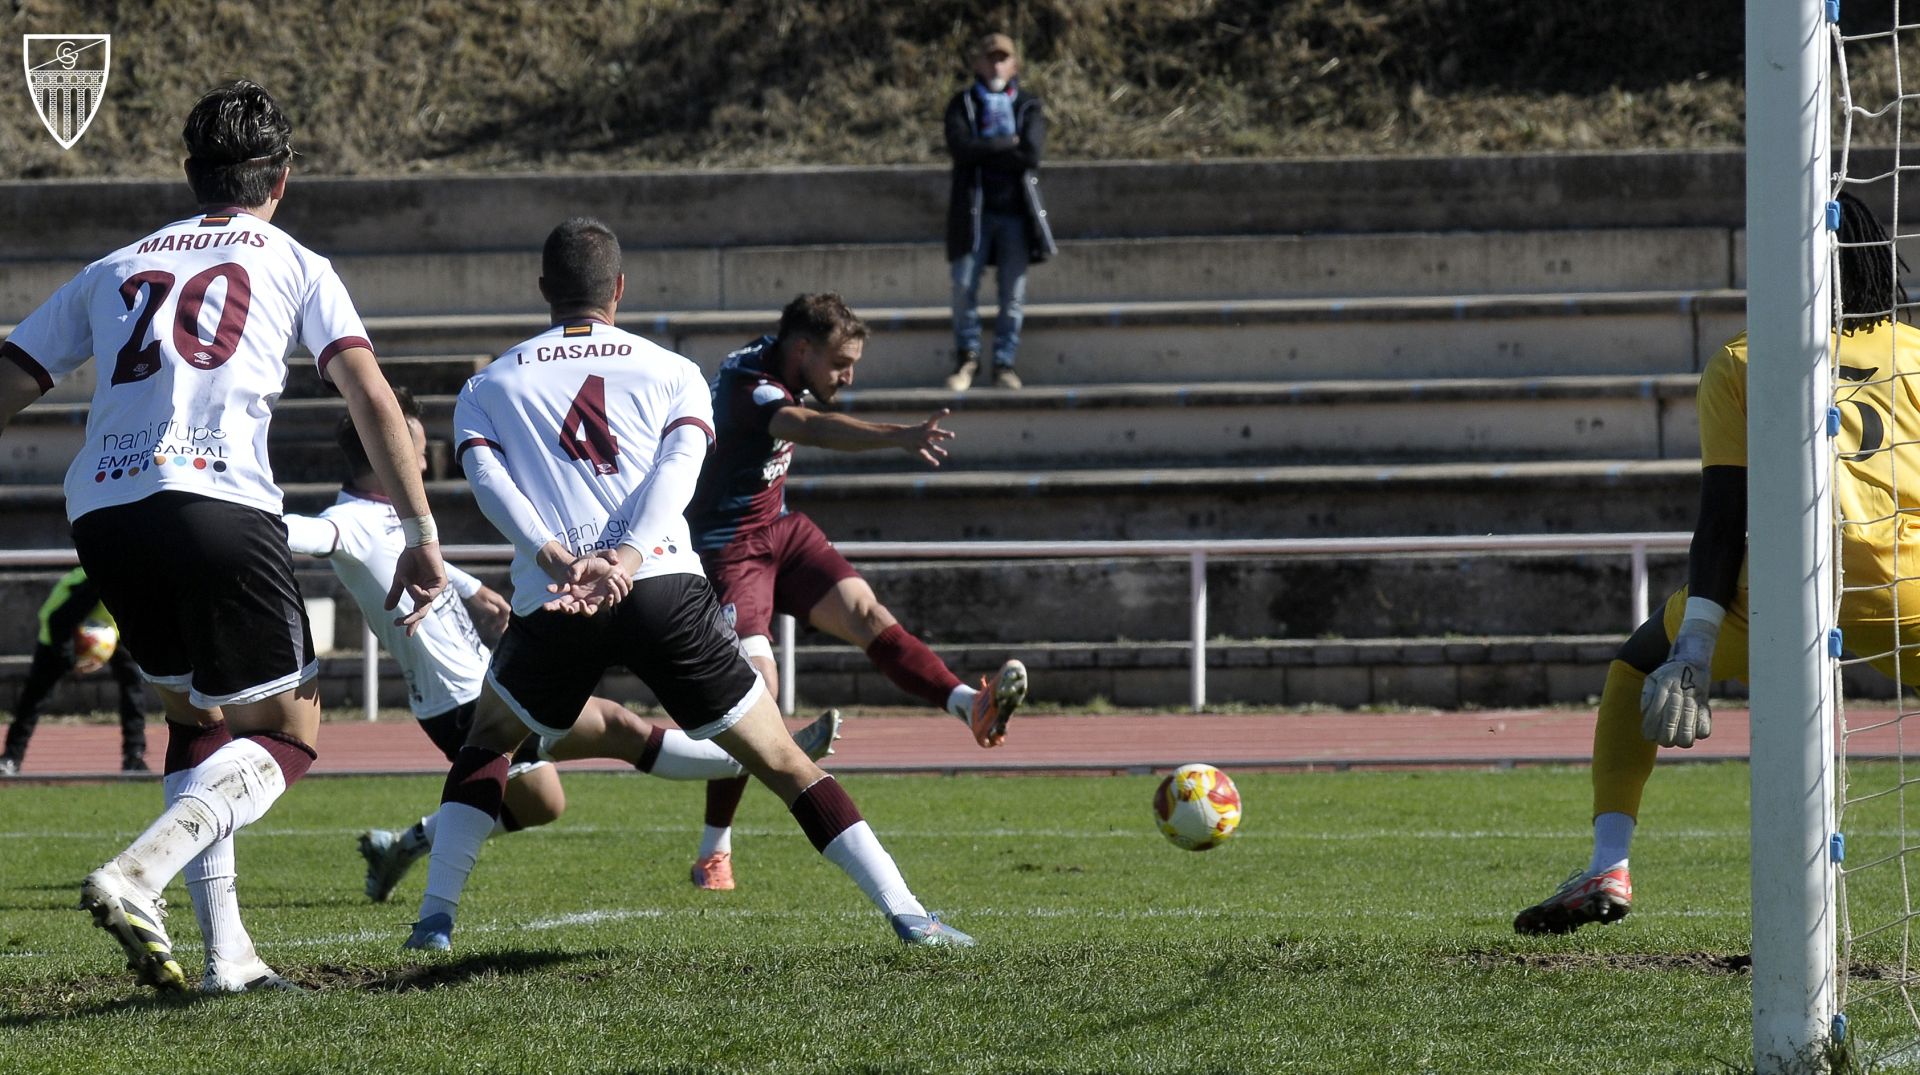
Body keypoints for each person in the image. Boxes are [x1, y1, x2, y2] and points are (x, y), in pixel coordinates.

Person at [405, 217, 972, 950]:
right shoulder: (674, 371)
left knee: (487, 743)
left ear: (544, 289)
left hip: (558, 597)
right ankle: (910, 916)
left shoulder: (490, 382)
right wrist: (629, 559)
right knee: (784, 760)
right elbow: (679, 474)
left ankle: (436, 920)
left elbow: (486, 480)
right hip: (664, 584)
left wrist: (555, 559)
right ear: (619, 289)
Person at [0, 80, 447, 993]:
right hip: (217, 502)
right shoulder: (296, 260)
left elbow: (12, 375)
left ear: (190, 173)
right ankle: (138, 872)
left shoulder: (116, 265)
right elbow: (370, 396)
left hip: (106, 512)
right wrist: (420, 527)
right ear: (281, 178)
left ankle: (227, 954)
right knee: (290, 729)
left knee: (194, 718)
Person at [1514, 190, 1917, 935]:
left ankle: (1610, 861)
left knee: (1639, 663)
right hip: (1915, 588)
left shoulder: (1744, 357)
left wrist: (1695, 646)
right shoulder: (1918, 352)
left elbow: (1723, 518)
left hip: (1794, 585)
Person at [281, 387, 840, 901]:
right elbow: (311, 534)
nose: (425, 462)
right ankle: (763, 758)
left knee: (544, 803)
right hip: (460, 703)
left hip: (473, 685)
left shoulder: (391, 518)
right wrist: (252, 522)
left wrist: (473, 590)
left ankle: (400, 846)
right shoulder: (348, 521)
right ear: (386, 455)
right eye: (417, 450)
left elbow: (420, 561)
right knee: (620, 728)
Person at [686, 292, 1029, 777]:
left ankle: (969, 704)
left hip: (781, 530)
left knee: (869, 614)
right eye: (841, 363)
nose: (848, 376)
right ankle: (714, 848)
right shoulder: (750, 384)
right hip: (730, 548)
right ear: (803, 350)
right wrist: (896, 435)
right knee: (757, 687)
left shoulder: (780, 354)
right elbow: (809, 427)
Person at [943, 30, 1056, 393]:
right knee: (963, 288)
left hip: (1016, 216)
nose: (996, 64)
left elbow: (1032, 154)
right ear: (978, 63)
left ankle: (1004, 363)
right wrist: (1008, 142)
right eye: (989, 57)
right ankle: (967, 359)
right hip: (972, 215)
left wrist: (985, 147)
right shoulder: (962, 104)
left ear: (1014, 64)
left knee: (1012, 297)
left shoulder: (1028, 104)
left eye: (1002, 57)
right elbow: (961, 148)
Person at [0, 566, 149, 774]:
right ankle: (10, 758)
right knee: (35, 697)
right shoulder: (97, 583)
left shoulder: (136, 583)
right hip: (58, 635)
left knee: (133, 683)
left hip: (107, 630)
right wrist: (71, 662)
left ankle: (134, 757)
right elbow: (59, 621)